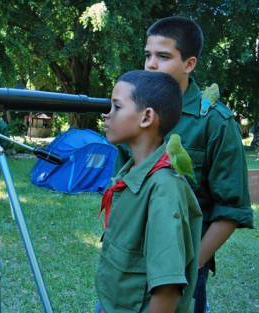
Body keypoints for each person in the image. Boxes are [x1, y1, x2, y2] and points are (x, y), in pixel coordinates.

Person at [115, 16, 255, 313]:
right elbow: (123, 184)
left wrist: (192, 264)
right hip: (128, 259)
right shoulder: (134, 111)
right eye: (147, 55)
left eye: (163, 56)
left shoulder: (216, 123)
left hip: (183, 261)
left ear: (189, 64)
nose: (151, 64)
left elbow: (231, 209)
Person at [96, 70, 202, 313]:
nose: (106, 115)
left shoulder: (163, 190)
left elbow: (167, 291)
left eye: (116, 107)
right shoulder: (131, 174)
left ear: (146, 118)